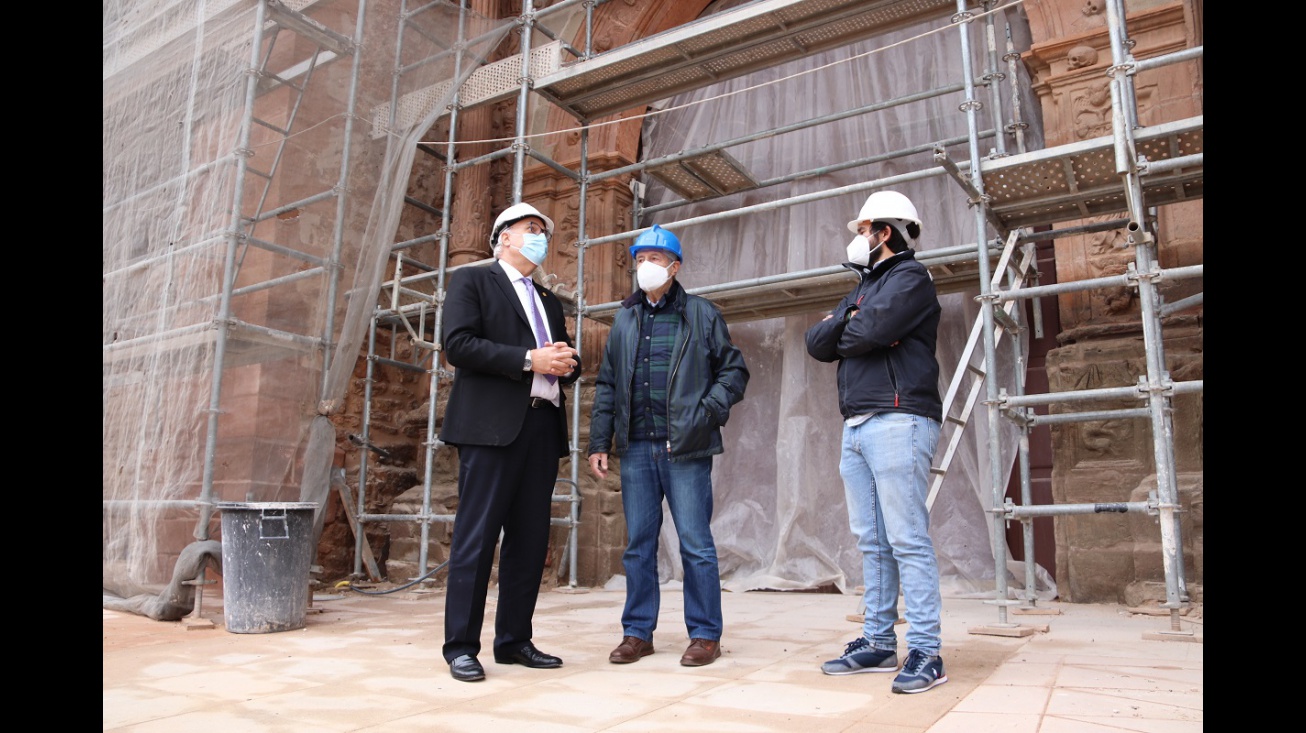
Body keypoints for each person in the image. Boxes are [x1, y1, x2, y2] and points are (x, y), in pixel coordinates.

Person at [803, 190, 948, 694]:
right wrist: (851, 324)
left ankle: (927, 650)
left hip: (899, 417)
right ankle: (879, 641)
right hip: (859, 424)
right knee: (872, 539)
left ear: (884, 232)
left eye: (862, 230)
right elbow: (819, 343)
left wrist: (849, 326)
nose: (856, 238)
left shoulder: (911, 278)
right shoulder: (864, 287)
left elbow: (865, 332)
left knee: (907, 537)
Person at [587, 224, 749, 668]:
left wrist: (706, 414)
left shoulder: (701, 313)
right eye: (640, 259)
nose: (646, 266)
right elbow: (607, 384)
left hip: (685, 449)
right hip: (637, 447)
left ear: (674, 267)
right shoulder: (624, 318)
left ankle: (704, 635)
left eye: (655, 259)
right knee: (639, 544)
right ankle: (637, 632)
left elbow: (733, 372)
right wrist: (599, 441)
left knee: (695, 543)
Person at [438, 201, 581, 682]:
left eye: (543, 230)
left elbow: (557, 359)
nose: (539, 236)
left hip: (541, 427)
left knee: (529, 540)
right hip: (490, 430)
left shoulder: (549, 300)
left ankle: (515, 640)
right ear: (503, 237)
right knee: (477, 538)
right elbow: (458, 345)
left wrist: (567, 362)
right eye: (530, 228)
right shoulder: (473, 281)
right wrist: (529, 359)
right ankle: (460, 645)